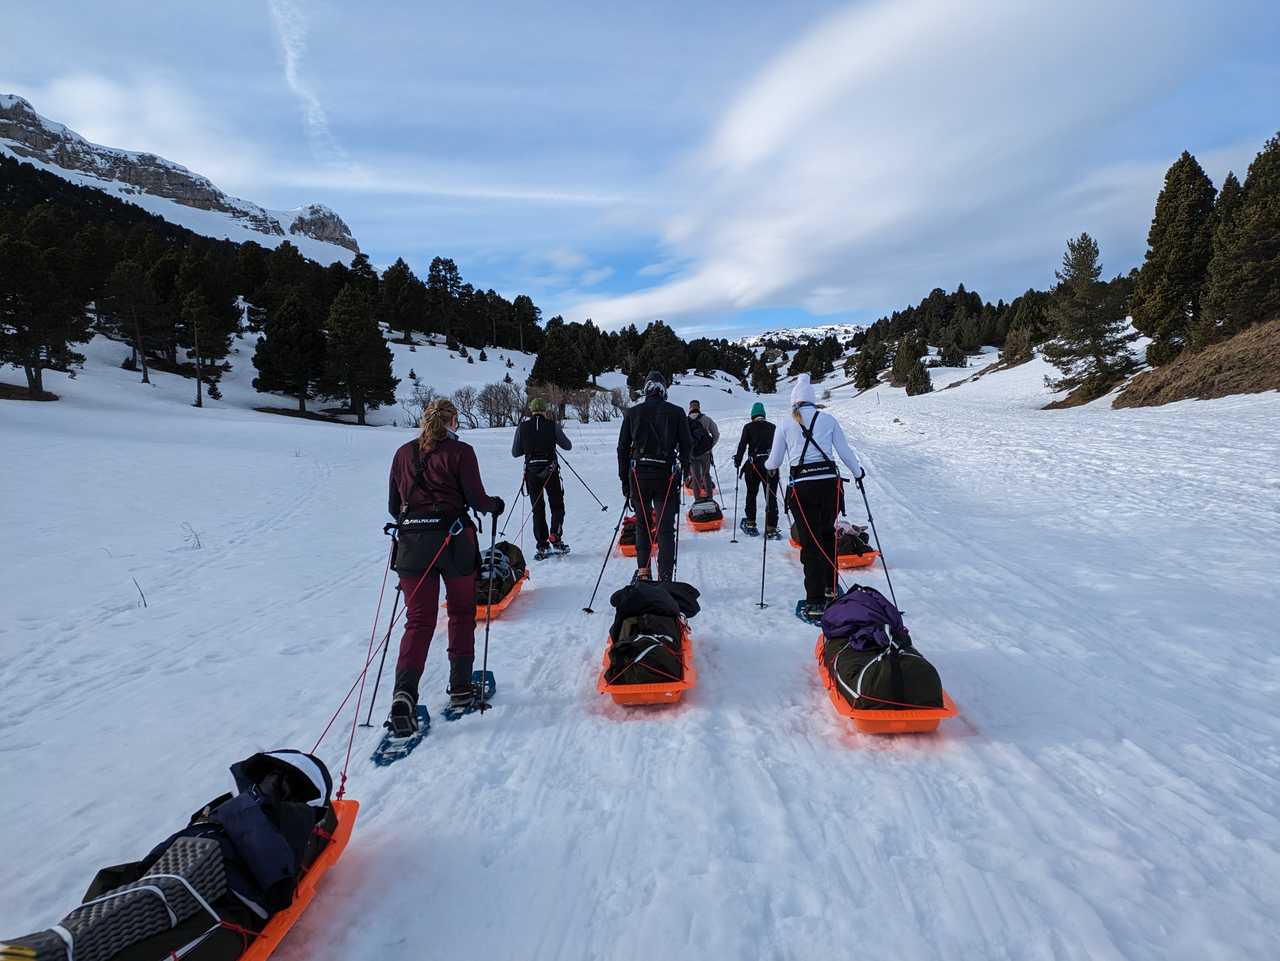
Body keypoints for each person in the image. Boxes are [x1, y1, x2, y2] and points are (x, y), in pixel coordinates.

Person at [386, 398, 504, 734]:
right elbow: (478, 500)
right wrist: (495, 505)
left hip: (411, 546)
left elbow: (394, 506)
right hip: (453, 542)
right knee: (461, 612)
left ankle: (403, 696)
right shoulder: (461, 452)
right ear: (452, 421)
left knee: (418, 621)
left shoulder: (403, 453)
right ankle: (461, 687)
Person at [765, 373, 865, 621]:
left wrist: (767, 466)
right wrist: (858, 472)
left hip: (802, 488)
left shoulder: (786, 423)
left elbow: (774, 462)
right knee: (828, 534)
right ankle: (831, 587)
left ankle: (815, 600)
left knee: (810, 541)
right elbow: (844, 452)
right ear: (811, 400)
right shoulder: (828, 419)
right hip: (830, 485)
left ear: (794, 401)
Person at [617, 371, 692, 581]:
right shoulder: (677, 413)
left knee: (642, 524)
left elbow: (622, 449)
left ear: (646, 388)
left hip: (639, 476)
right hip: (665, 476)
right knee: (665, 528)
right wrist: (684, 471)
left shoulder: (632, 413)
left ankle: (643, 572)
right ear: (664, 389)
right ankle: (665, 577)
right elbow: (687, 446)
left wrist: (624, 480)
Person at [511, 397, 572, 559]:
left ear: (531, 410)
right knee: (557, 505)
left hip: (531, 473)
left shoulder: (522, 427)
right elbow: (567, 446)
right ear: (545, 410)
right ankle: (555, 536)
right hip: (550, 471)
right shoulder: (553, 425)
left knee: (537, 508)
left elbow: (515, 452)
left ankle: (542, 545)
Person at [733, 401, 779, 537]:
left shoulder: (748, 427)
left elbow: (742, 446)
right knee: (771, 496)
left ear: (752, 415)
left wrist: (738, 460)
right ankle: (771, 528)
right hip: (771, 464)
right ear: (763, 414)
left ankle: (751, 523)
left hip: (753, 465)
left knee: (751, 494)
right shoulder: (773, 427)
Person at [686, 399, 720, 500]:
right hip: (706, 453)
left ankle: (697, 500)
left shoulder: (685, 421)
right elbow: (716, 434)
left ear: (690, 408)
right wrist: (709, 446)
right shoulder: (706, 419)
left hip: (692, 454)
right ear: (699, 408)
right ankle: (710, 499)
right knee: (706, 475)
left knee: (695, 477)